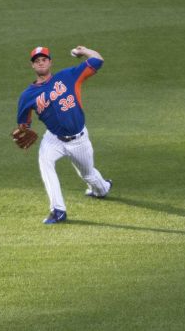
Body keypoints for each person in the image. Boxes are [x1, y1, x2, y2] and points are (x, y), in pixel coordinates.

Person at [14, 46, 113, 224]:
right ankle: (58, 210)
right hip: (53, 138)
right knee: (45, 163)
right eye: (37, 61)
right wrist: (23, 130)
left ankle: (102, 188)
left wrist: (84, 51)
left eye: (44, 59)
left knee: (88, 174)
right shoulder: (27, 95)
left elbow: (98, 61)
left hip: (79, 139)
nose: (41, 62)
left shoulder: (68, 76)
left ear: (50, 62)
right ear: (33, 66)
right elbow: (23, 124)